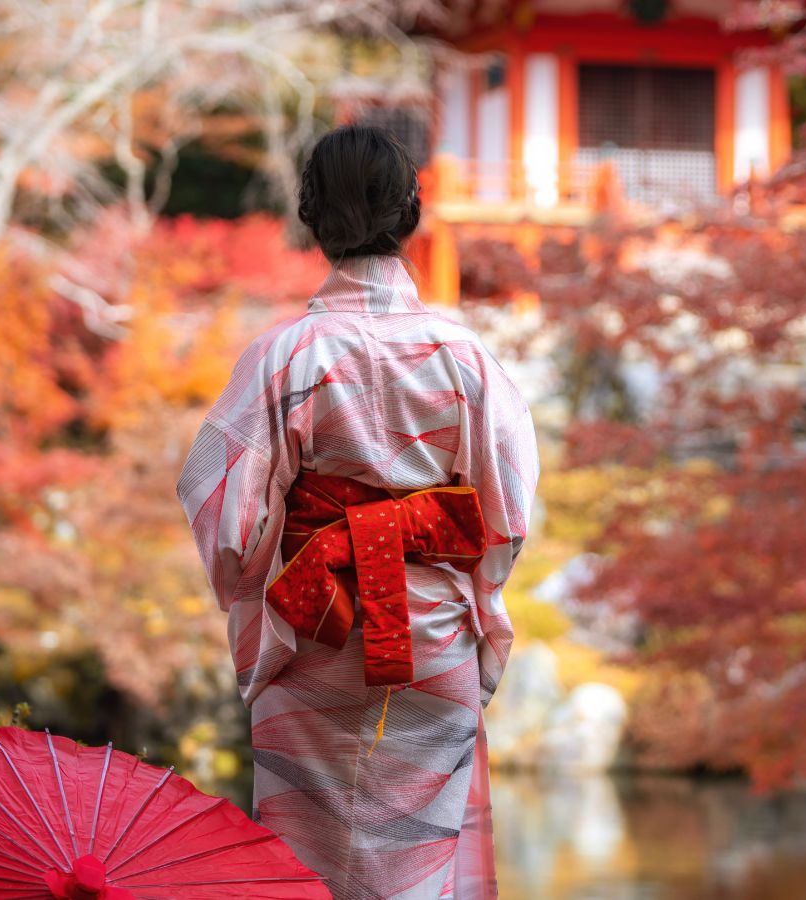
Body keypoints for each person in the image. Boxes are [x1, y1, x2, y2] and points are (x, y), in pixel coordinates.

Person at [176, 125, 539, 899]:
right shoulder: (464, 355)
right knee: (418, 869)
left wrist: (263, 589)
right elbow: (507, 513)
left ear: (312, 218)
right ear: (410, 215)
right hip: (433, 638)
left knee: (300, 871)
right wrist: (474, 592)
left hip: (317, 627)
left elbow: (221, 509)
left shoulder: (286, 355)